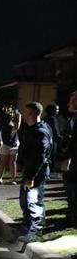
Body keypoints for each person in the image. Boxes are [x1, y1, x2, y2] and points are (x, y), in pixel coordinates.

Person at [16, 102, 53, 243]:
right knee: (27, 202)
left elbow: (39, 157)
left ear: (31, 114)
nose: (23, 115)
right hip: (31, 171)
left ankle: (34, 233)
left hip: (36, 173)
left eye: (25, 113)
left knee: (33, 203)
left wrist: (30, 177)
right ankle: (28, 229)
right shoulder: (35, 128)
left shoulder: (40, 132)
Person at [59, 90, 77, 229]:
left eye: (71, 101)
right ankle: (70, 217)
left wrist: (68, 158)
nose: (68, 104)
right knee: (70, 192)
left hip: (74, 162)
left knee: (73, 191)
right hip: (71, 162)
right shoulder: (73, 118)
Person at [0, 107, 21, 184]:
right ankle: (1, 178)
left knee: (11, 162)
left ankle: (10, 179)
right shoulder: (6, 124)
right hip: (6, 144)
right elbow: (16, 128)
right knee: (5, 162)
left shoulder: (8, 123)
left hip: (14, 144)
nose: (12, 116)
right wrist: (19, 116)